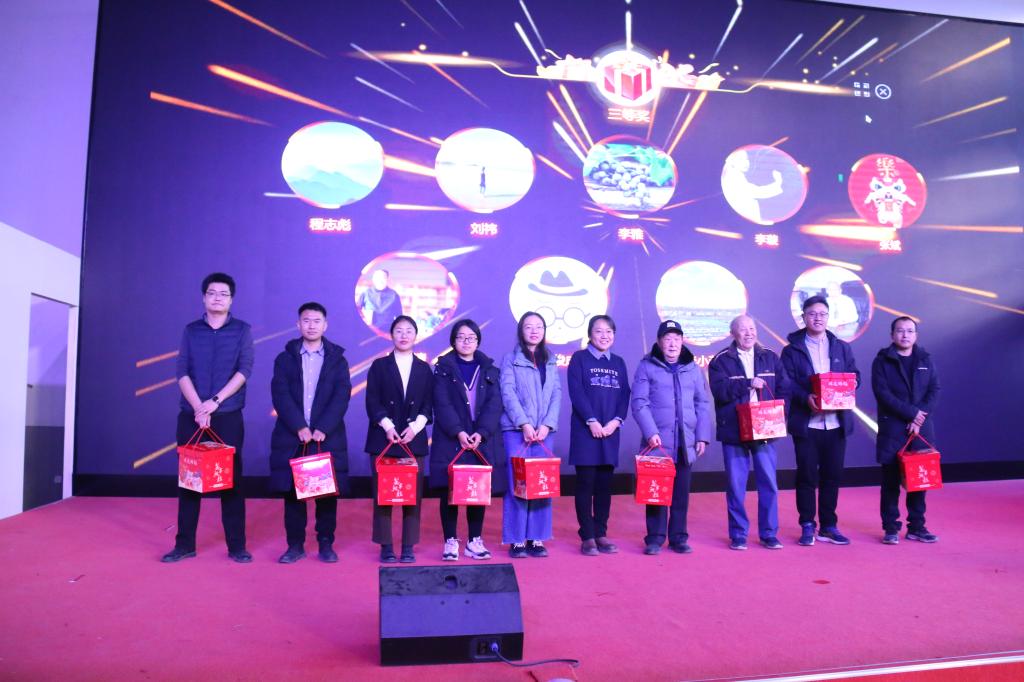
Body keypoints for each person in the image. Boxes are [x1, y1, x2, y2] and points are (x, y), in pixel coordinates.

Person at [162, 273, 254, 563]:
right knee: (190, 481)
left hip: (227, 415)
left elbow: (244, 370)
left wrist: (214, 402)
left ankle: (236, 546)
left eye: (223, 294)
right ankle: (184, 545)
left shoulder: (242, 330)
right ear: (204, 297)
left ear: (231, 300)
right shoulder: (191, 330)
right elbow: (182, 371)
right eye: (212, 293)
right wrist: (198, 408)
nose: (217, 298)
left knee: (231, 482)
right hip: (192, 415)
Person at [269, 302, 351, 564]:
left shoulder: (337, 360)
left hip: (326, 436)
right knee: (293, 495)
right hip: (292, 436)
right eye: (306, 320)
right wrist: (299, 426)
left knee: (326, 495)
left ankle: (326, 544)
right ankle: (295, 546)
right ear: (298, 324)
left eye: (317, 321)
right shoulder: (285, 359)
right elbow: (280, 394)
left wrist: (322, 427)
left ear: (325, 325)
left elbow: (341, 396)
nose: (311, 325)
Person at [781, 295, 861, 547]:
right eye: (812, 314)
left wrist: (848, 385)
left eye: (822, 314)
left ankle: (828, 525)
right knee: (806, 476)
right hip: (808, 424)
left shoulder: (841, 347)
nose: (818, 318)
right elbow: (786, 384)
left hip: (836, 424)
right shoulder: (791, 350)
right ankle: (807, 524)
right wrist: (806, 397)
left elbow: (855, 374)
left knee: (832, 476)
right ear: (803, 317)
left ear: (828, 317)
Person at [708, 315, 790, 551]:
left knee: (768, 482)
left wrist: (779, 416)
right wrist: (746, 383)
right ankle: (738, 534)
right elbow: (720, 391)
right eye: (743, 330)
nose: (749, 333)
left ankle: (769, 534)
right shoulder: (721, 360)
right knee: (736, 486)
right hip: (734, 429)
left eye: (752, 328)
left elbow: (785, 389)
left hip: (765, 427)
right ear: (733, 334)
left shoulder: (770, 357)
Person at [631, 320, 713, 555]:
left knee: (681, 493)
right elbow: (639, 402)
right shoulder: (646, 366)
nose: (673, 344)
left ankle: (678, 538)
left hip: (685, 441)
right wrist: (651, 432)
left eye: (677, 339)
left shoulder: (692, 368)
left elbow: (702, 403)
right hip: (657, 441)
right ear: (659, 342)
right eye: (668, 339)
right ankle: (654, 538)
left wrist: (702, 436)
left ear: (682, 341)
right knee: (656, 491)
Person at [430, 319, 504, 561]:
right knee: (449, 491)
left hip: (480, 439)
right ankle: (450, 541)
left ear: (478, 341)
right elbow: (441, 403)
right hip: (452, 439)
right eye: (461, 337)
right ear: (453, 341)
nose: (466, 341)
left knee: (477, 490)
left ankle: (474, 540)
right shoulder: (443, 368)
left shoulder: (490, 369)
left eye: (471, 337)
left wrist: (481, 432)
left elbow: (495, 404)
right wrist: (459, 432)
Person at [364, 315, 433, 563]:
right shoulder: (379, 366)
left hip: (413, 440)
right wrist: (387, 426)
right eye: (399, 331)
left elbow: (428, 404)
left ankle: (408, 546)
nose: (404, 335)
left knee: (412, 496)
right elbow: (372, 401)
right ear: (391, 335)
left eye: (409, 331)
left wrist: (415, 428)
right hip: (384, 439)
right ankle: (385, 545)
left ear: (416, 335)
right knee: (383, 495)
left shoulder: (424, 368)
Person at [872, 317, 941, 544]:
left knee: (919, 480)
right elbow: (882, 393)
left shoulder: (925, 359)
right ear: (892, 335)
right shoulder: (882, 361)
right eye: (900, 331)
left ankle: (917, 527)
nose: (905, 335)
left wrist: (919, 417)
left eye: (910, 331)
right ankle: (890, 527)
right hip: (893, 428)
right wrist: (912, 414)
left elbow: (934, 390)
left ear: (916, 335)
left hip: (920, 429)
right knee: (890, 481)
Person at [567, 315, 630, 556]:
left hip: (610, 431)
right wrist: (591, 421)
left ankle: (601, 532)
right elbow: (577, 393)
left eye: (609, 331)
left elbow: (624, 395)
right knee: (586, 484)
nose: (604, 336)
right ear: (590, 334)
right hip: (586, 431)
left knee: (604, 485)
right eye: (599, 331)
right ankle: (587, 536)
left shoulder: (619, 362)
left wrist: (615, 422)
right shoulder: (579, 358)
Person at [500, 311, 561, 558]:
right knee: (518, 484)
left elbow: (556, 394)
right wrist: (524, 423)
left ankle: (536, 537)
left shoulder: (551, 359)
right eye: (529, 327)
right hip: (517, 431)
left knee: (541, 484)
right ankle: (516, 539)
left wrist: (547, 424)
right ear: (521, 331)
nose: (534, 331)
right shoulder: (510, 359)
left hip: (544, 432)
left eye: (539, 327)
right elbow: (508, 393)